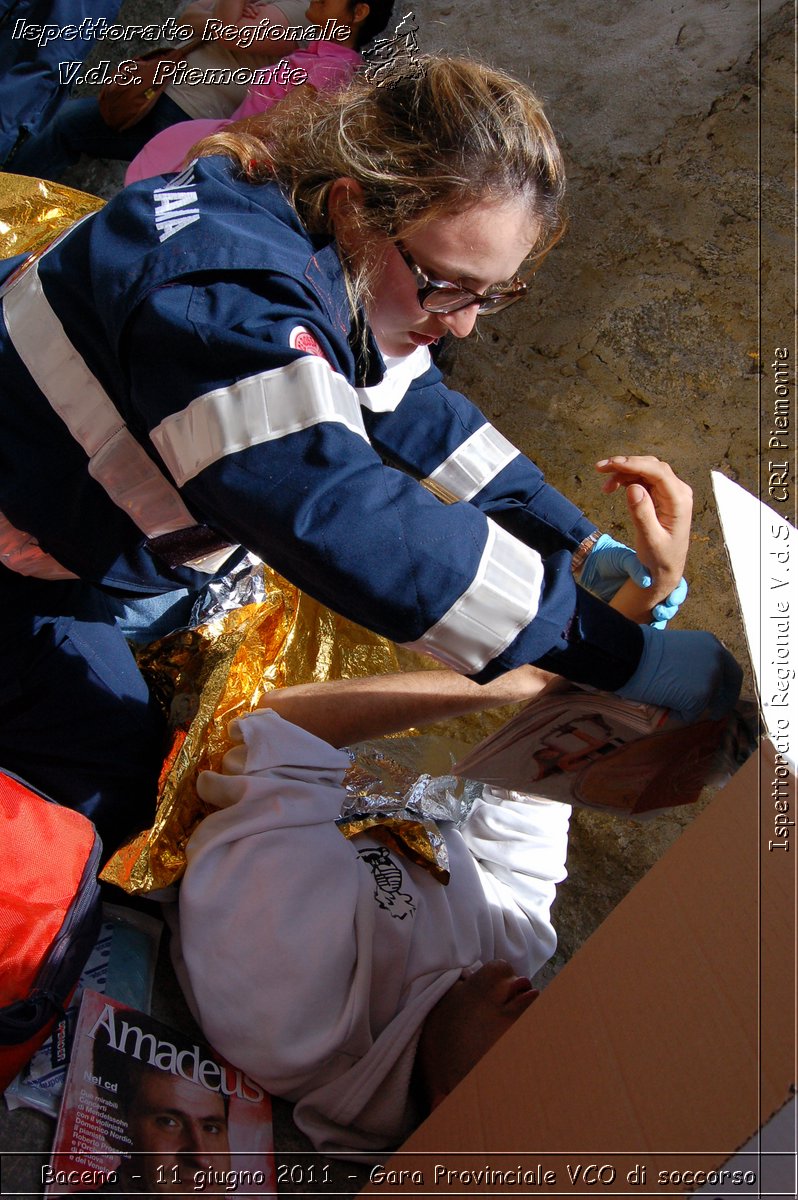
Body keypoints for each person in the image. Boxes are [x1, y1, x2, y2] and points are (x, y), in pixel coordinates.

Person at [0, 57, 740, 851]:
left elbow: (413, 407)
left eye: (492, 295)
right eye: (448, 286)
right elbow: (338, 512)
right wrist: (617, 654)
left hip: (71, 535)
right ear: (357, 208)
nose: (462, 326)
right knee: (122, 789)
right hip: (23, 564)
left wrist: (577, 544)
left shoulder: (307, 232)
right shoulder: (223, 299)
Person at [172, 456, 710, 1157]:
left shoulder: (291, 1011)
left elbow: (273, 729)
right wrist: (634, 618)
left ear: (468, 1102)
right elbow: (540, 770)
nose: (546, 1008)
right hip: (348, 716)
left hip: (205, 652)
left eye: (542, 1051)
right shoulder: (508, 955)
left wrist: (523, 679)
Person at [5, 0, 309, 182]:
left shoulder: (303, 10)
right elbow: (189, 17)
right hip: (162, 92)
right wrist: (223, 20)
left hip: (192, 114)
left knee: (73, 133)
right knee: (66, 129)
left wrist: (224, 20)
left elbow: (234, 35)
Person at [125, 0, 395, 185]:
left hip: (234, 160)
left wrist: (209, 144)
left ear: (358, 12)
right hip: (228, 150)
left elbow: (276, 123)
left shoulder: (334, 67)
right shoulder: (318, 56)